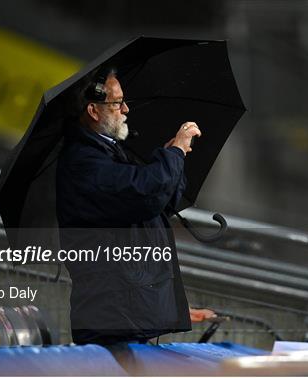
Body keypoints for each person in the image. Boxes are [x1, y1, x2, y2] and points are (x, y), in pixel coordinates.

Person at [56, 69, 215, 367]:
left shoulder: (106, 153)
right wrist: (174, 153)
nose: (126, 110)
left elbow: (156, 203)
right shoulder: (84, 162)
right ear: (93, 110)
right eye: (117, 103)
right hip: (110, 319)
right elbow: (143, 193)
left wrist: (172, 159)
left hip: (123, 313)